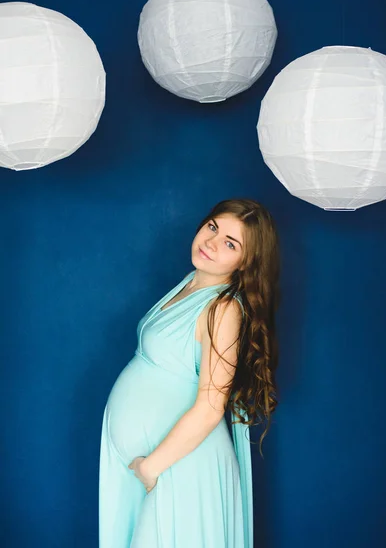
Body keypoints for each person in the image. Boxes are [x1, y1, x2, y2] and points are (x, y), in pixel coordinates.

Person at [98, 198, 280, 548]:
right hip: (159, 464)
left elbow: (213, 406)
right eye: (213, 227)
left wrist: (152, 467)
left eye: (230, 243)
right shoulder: (191, 284)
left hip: (178, 464)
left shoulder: (224, 308)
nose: (211, 243)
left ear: (246, 262)